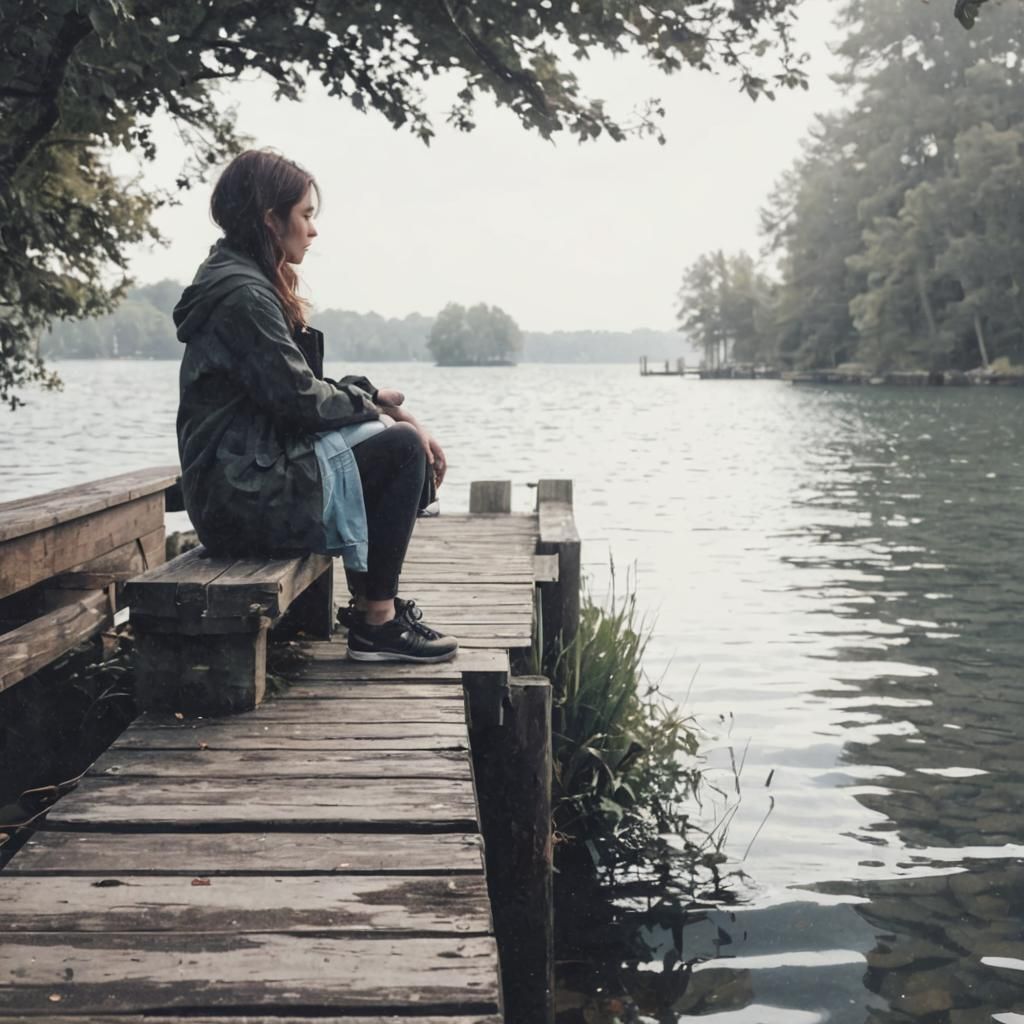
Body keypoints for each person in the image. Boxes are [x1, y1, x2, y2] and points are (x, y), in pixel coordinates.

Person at [173, 148, 457, 663]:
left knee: (394, 440)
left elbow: (295, 388)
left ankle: (376, 617)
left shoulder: (239, 281)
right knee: (399, 452)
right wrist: (381, 412)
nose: (313, 230)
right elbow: (303, 403)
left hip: (237, 486)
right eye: (305, 215)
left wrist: (382, 406)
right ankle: (378, 622)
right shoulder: (244, 297)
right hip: (240, 498)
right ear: (270, 219)